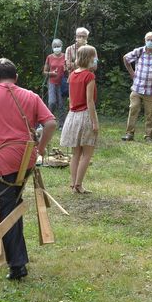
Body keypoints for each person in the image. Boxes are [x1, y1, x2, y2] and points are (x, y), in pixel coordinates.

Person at [0, 58, 56, 280]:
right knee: (11, 204)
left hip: (0, 162)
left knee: (6, 209)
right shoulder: (31, 96)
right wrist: (40, 149)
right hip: (25, 161)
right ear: (16, 77)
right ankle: (15, 260)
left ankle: (17, 265)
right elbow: (51, 123)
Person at [60, 45, 99, 194]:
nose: (96, 59)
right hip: (85, 116)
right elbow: (90, 102)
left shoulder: (72, 75)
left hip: (72, 115)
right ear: (89, 58)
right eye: (94, 56)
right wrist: (94, 122)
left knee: (76, 154)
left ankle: (73, 183)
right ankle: (79, 185)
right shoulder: (89, 76)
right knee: (87, 154)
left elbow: (71, 99)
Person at [122, 32, 152, 142]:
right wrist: (131, 73)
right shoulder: (139, 51)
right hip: (137, 87)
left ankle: (148, 136)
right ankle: (129, 134)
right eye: (148, 39)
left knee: (150, 114)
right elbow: (126, 58)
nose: (150, 42)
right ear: (145, 40)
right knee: (133, 109)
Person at [43, 38, 65, 118]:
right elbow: (44, 72)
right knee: (52, 102)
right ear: (52, 47)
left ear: (61, 46)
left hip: (62, 82)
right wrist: (51, 73)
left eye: (58, 46)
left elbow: (69, 68)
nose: (57, 48)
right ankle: (48, 119)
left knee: (61, 103)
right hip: (52, 82)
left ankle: (62, 124)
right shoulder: (49, 57)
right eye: (55, 46)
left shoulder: (65, 56)